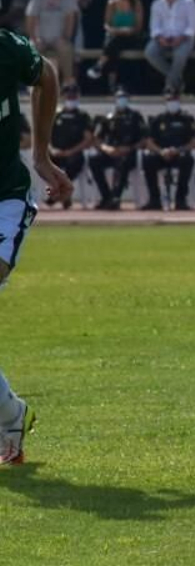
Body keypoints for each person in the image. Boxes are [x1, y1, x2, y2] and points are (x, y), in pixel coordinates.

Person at [0, 30, 72, 464]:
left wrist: (41, 156)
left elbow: (46, 74)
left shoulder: (6, 48)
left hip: (4, 196)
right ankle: (11, 414)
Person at [140, 87, 195, 211]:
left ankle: (180, 200)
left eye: (174, 99)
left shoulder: (187, 119)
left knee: (187, 160)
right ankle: (155, 199)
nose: (172, 102)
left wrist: (178, 150)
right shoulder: (158, 119)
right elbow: (149, 142)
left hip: (179, 153)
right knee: (148, 159)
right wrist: (161, 151)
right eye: (169, 100)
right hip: (162, 154)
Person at [88, 87, 146, 210]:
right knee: (94, 160)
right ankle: (106, 196)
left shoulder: (136, 116)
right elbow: (97, 139)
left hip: (129, 152)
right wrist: (107, 149)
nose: (121, 101)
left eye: (124, 98)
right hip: (111, 152)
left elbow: (144, 139)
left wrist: (129, 148)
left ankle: (116, 197)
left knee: (123, 163)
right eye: (119, 98)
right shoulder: (108, 117)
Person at [145, 0, 195, 95]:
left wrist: (181, 38)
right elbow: (154, 26)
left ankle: (170, 85)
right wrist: (160, 38)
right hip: (163, 38)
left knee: (179, 55)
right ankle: (177, 80)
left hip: (184, 38)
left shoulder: (189, 2)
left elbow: (193, 26)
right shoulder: (157, 3)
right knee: (150, 52)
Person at [86, 0, 145, 89]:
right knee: (114, 42)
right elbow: (107, 24)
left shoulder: (137, 4)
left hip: (131, 36)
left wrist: (127, 30)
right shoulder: (112, 3)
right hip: (115, 35)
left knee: (113, 43)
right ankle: (113, 84)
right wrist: (116, 30)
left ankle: (99, 66)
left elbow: (138, 27)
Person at [45, 82, 96, 210]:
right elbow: (46, 135)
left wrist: (70, 151)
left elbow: (88, 139)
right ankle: (64, 195)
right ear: (63, 97)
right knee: (46, 162)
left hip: (74, 153)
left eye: (74, 97)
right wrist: (52, 149)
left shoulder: (83, 116)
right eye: (69, 97)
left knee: (75, 162)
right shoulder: (55, 114)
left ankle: (57, 195)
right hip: (56, 152)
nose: (71, 99)